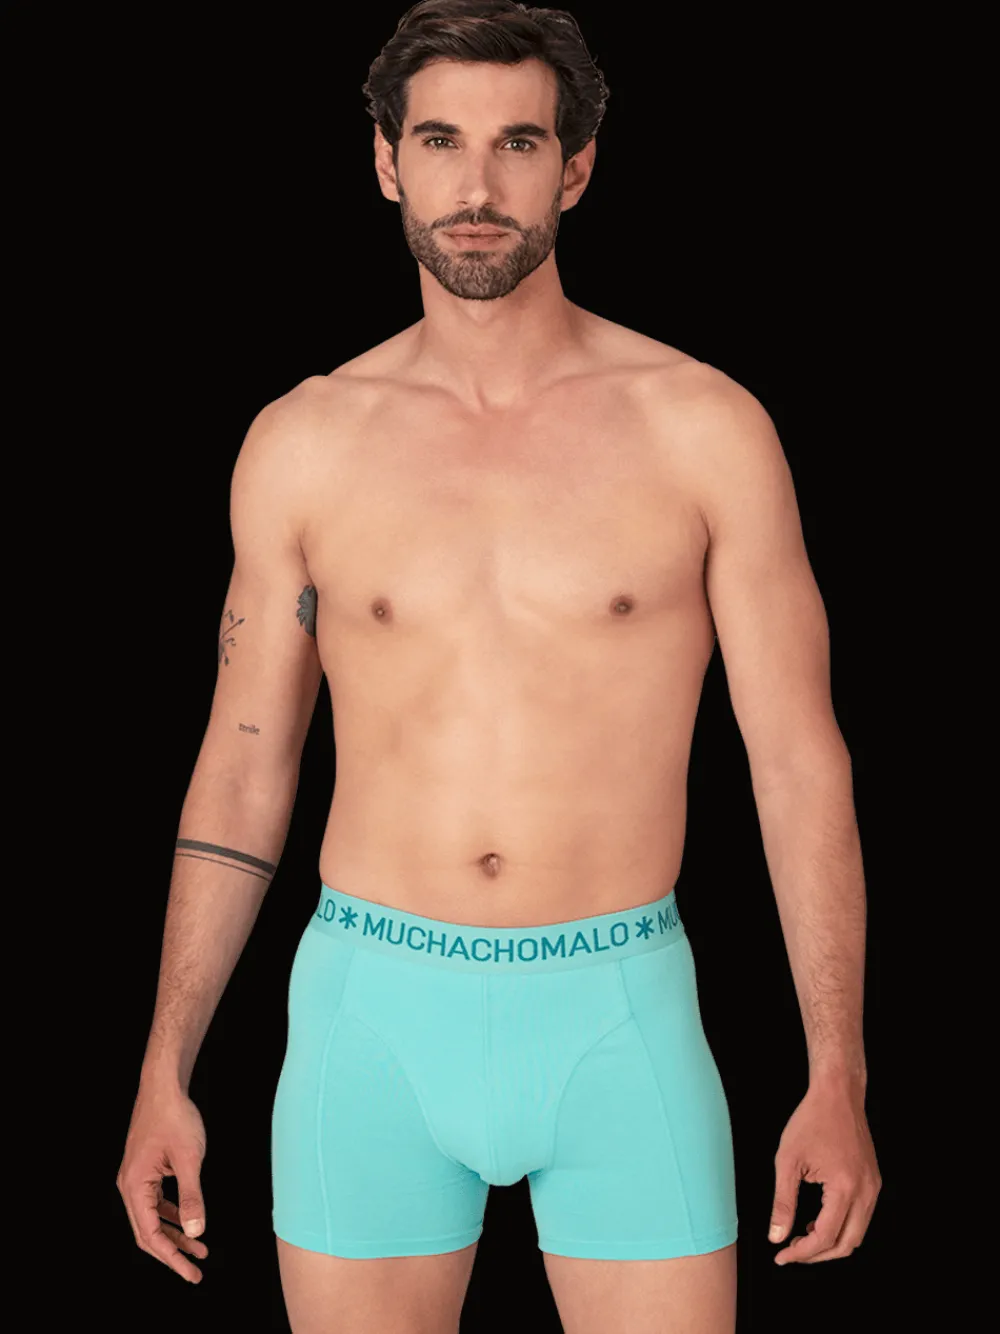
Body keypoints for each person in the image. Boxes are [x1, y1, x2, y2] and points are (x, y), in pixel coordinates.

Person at [116, 2, 881, 1330]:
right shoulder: (304, 442)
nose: (476, 186)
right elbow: (244, 768)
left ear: (575, 168)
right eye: (441, 141)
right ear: (386, 162)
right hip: (368, 1014)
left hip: (620, 1010)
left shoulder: (703, 429)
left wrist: (840, 1072)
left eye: (518, 143)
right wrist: (163, 1065)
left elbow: (798, 763)